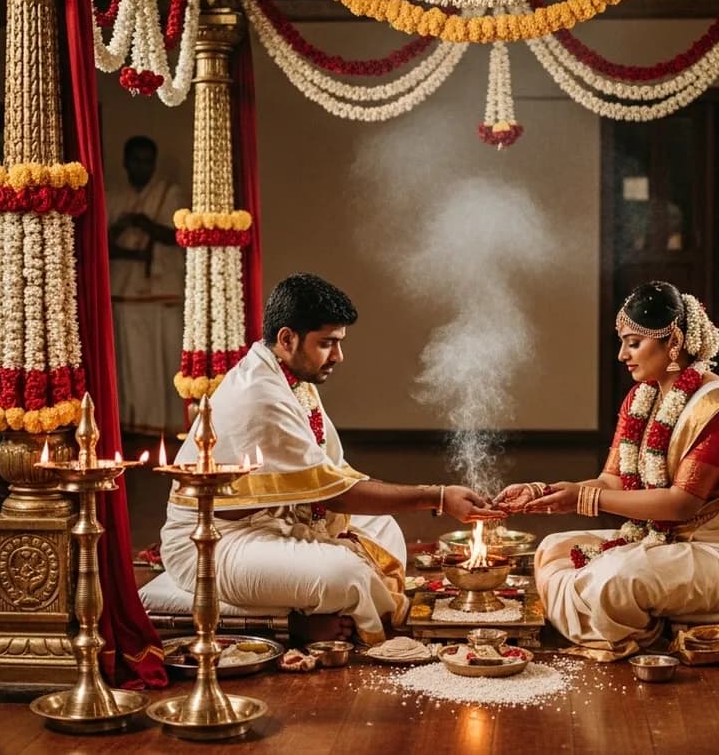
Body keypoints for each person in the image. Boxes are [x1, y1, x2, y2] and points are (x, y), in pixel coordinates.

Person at [158, 274, 501, 644]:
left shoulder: (288, 378)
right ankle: (295, 625)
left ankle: (335, 610)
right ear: (287, 339)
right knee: (346, 574)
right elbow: (335, 494)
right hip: (212, 545)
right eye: (327, 343)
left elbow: (333, 474)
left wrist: (431, 496)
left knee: (382, 527)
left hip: (275, 521)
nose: (338, 356)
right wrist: (437, 497)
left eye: (339, 342)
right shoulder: (261, 395)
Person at [495, 281, 719, 661]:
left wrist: (584, 499)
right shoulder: (643, 396)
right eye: (623, 343)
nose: (622, 355)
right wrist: (545, 491)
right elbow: (612, 481)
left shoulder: (716, 408)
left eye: (634, 343)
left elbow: (681, 504)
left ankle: (638, 636)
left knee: (612, 582)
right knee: (551, 549)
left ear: (673, 341)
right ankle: (618, 624)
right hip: (668, 541)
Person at [107, 136, 186, 435]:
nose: (142, 167)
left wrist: (142, 222)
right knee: (133, 365)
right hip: (124, 291)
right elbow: (101, 243)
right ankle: (134, 426)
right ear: (126, 163)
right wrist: (125, 233)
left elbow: (178, 236)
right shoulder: (114, 197)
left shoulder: (169, 193)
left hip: (163, 292)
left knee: (167, 361)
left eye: (147, 161)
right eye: (136, 161)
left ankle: (170, 426)